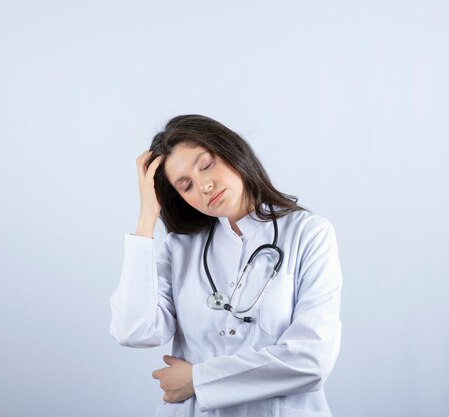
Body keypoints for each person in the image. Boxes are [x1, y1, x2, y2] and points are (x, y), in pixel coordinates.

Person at [110, 114, 343, 417]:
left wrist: (197, 380)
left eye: (206, 165)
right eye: (185, 185)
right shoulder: (180, 248)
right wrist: (146, 219)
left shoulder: (309, 233)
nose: (204, 186)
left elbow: (312, 360)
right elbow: (135, 330)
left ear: (230, 150)